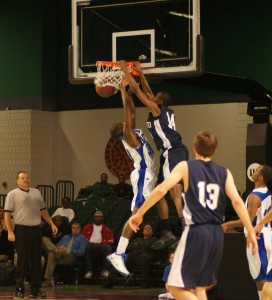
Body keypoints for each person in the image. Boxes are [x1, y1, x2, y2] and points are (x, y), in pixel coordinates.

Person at [128, 131, 258, 300]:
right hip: (216, 234)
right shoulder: (224, 172)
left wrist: (140, 213)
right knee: (199, 288)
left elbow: (160, 189)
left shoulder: (186, 167)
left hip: (196, 231)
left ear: (194, 147)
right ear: (215, 150)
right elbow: (238, 202)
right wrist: (250, 231)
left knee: (173, 287)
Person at [119, 60, 189, 250]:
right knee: (160, 191)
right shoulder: (162, 109)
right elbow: (147, 91)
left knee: (174, 191)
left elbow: (141, 93)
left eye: (155, 97)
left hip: (173, 151)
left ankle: (185, 228)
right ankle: (168, 230)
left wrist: (125, 70)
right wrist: (140, 73)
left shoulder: (157, 109)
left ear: (159, 101)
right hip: (172, 152)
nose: (152, 96)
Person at [107, 78, 156, 277]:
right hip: (143, 174)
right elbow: (127, 111)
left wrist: (127, 90)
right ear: (120, 130)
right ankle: (118, 253)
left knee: (144, 211)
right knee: (137, 214)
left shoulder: (131, 132)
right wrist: (122, 89)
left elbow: (132, 110)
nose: (124, 121)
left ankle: (168, 229)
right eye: (121, 124)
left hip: (149, 174)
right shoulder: (127, 136)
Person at [4, 171, 58, 299]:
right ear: (17, 180)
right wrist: (10, 231)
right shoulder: (12, 194)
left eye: (27, 177)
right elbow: (7, 214)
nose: (26, 179)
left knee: (37, 261)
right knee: (22, 260)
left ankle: (36, 289)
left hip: (35, 230)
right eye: (23, 178)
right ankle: (19, 288)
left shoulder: (36, 192)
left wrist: (51, 224)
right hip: (21, 230)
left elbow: (43, 211)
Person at [222, 164, 272, 300]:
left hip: (258, 237)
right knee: (262, 276)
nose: (254, 172)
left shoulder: (254, 197)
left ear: (260, 177)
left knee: (261, 277)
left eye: (257, 170)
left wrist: (228, 224)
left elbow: (247, 221)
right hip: (266, 234)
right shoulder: (267, 191)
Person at [105, 223, 158, 289]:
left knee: (144, 257)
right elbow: (130, 247)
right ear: (143, 231)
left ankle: (145, 282)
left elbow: (148, 247)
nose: (147, 230)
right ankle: (110, 281)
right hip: (133, 257)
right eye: (146, 228)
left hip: (145, 257)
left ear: (152, 232)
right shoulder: (138, 239)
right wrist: (142, 246)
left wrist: (138, 245)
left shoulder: (154, 239)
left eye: (149, 229)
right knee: (119, 258)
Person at [42, 221, 88, 287]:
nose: (75, 230)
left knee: (51, 254)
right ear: (71, 229)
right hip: (59, 253)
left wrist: (67, 249)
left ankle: (48, 280)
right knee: (44, 239)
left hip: (70, 255)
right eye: (73, 228)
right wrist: (58, 248)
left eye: (77, 228)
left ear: (80, 229)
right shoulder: (65, 237)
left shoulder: (82, 238)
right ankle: (48, 281)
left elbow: (81, 252)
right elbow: (57, 246)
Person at [81, 210, 114, 278]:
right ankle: (89, 271)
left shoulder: (106, 229)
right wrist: (89, 243)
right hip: (90, 245)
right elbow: (82, 238)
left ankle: (104, 270)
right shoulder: (87, 227)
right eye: (96, 217)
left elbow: (111, 241)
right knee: (87, 247)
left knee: (108, 248)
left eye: (99, 217)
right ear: (94, 218)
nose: (98, 218)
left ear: (102, 218)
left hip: (100, 246)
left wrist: (101, 244)